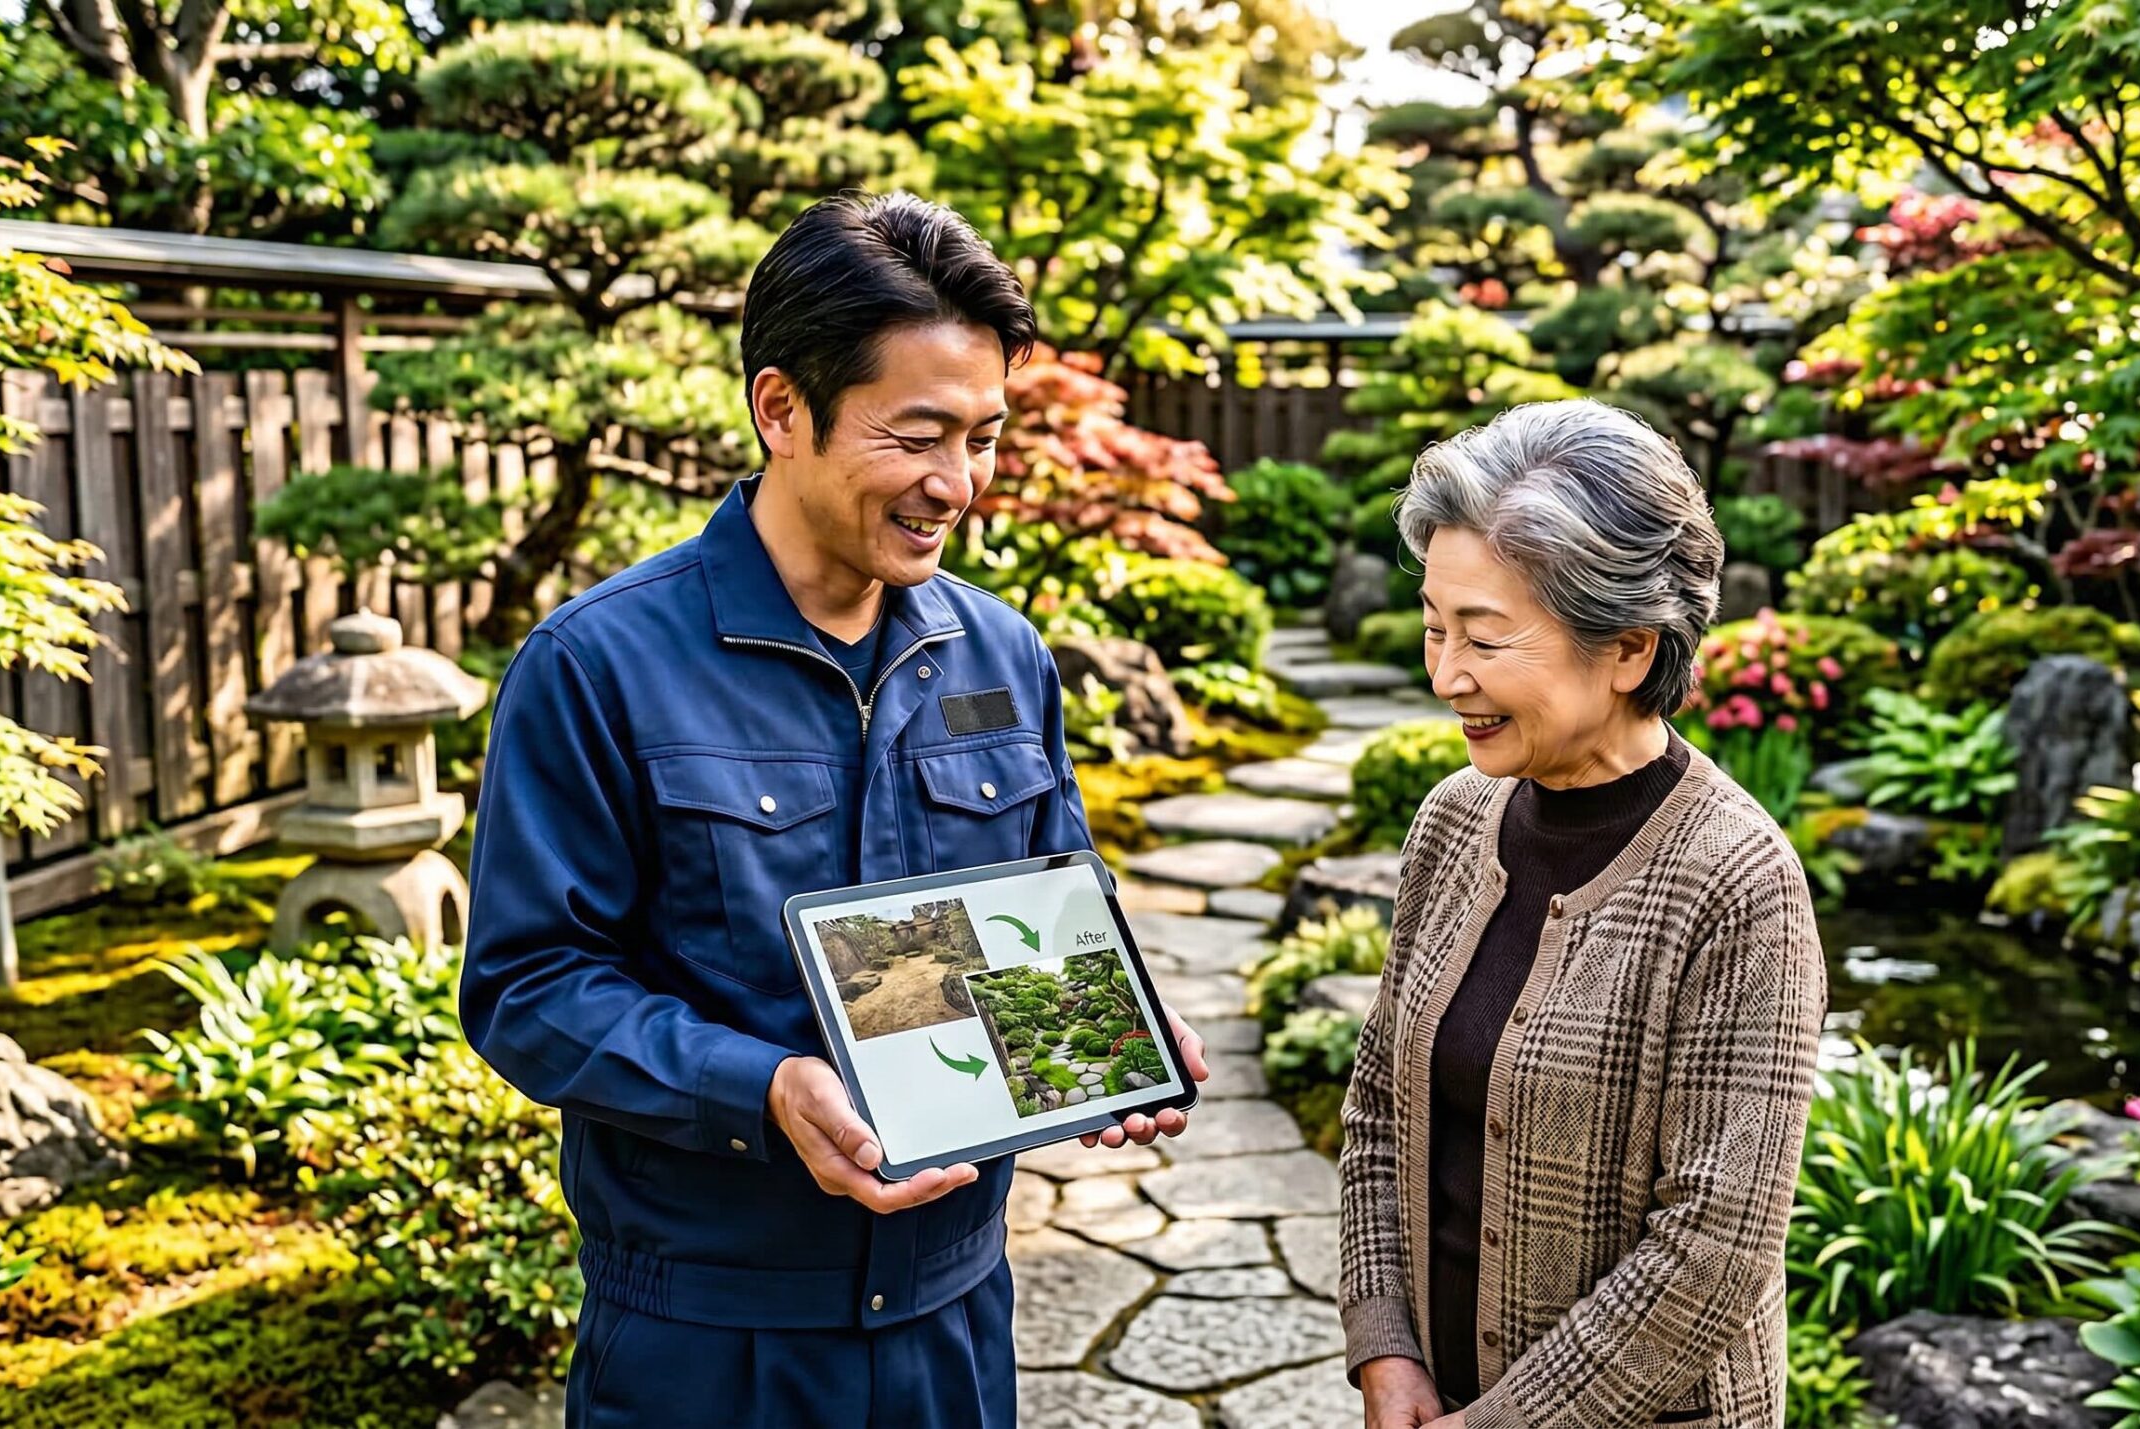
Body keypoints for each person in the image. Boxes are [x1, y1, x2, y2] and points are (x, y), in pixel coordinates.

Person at [461, 190, 1204, 1429]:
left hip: (955, 1313)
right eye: (917, 436)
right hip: (710, 1336)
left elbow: (1048, 897)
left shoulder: (999, 654)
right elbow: (528, 988)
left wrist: (1106, 1021)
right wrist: (762, 1087)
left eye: (982, 436)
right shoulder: (600, 664)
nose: (956, 483)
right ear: (780, 409)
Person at [1336, 400, 1826, 1428]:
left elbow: (1715, 1247)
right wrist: (1384, 1347)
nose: (1444, 674)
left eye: (1484, 637)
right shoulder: (1453, 821)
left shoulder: (1737, 882)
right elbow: (1380, 1106)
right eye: (1434, 626)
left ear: (1630, 648)